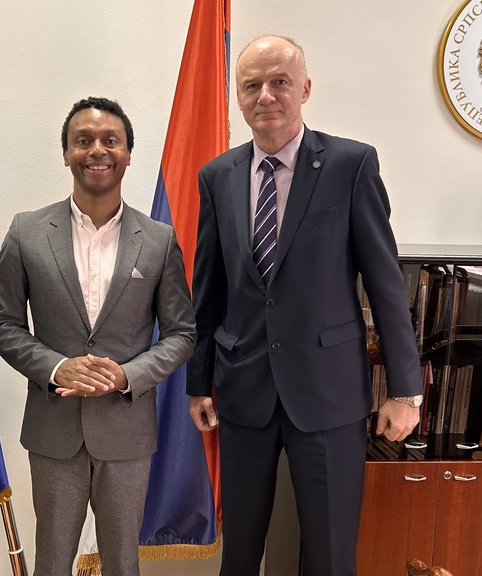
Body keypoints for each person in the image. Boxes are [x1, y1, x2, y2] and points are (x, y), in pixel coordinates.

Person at [185, 36, 422, 576]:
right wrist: (198, 381)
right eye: (251, 85)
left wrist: (405, 391)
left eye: (280, 82)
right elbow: (209, 289)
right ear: (238, 97)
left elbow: (385, 285)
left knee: (331, 554)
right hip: (244, 389)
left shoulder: (350, 165)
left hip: (328, 392)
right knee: (239, 553)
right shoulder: (217, 176)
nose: (265, 95)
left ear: (306, 88)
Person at [0, 96, 195, 576]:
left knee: (123, 564)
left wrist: (126, 375)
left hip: (127, 431)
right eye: (83, 140)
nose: (97, 150)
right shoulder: (26, 232)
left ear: (127, 153)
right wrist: (57, 367)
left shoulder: (159, 239)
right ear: (66, 153)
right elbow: (2, 324)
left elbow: (181, 333)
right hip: (54, 430)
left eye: (110, 140)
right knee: (52, 562)